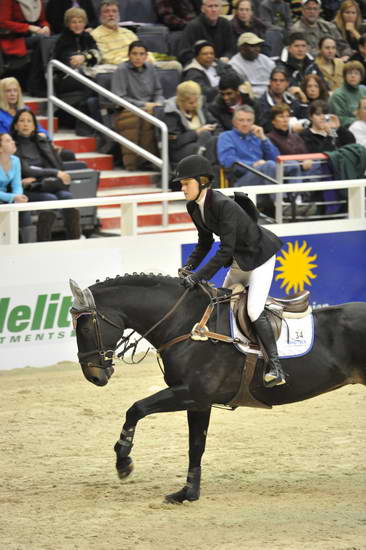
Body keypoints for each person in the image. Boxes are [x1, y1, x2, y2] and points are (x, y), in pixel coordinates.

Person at [173, 154, 286, 388]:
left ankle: (275, 366)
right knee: (222, 304)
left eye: (186, 183)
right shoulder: (193, 206)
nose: (182, 188)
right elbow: (204, 243)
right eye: (181, 184)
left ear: (202, 181)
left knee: (254, 310)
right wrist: (189, 267)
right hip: (240, 259)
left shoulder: (223, 205)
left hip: (260, 256)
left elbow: (225, 251)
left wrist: (198, 277)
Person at [11, 109, 81, 241]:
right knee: (50, 199)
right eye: (21, 121)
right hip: (27, 187)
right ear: (15, 125)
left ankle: (74, 240)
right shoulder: (13, 145)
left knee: (67, 196)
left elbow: (56, 165)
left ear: (34, 126)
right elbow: (27, 171)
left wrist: (45, 173)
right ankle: (43, 241)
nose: (25, 124)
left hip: (45, 183)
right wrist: (53, 173)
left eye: (29, 121)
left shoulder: (42, 141)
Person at [112, 41, 164, 171]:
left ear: (146, 56)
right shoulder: (121, 69)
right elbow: (119, 98)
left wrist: (158, 103)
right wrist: (144, 105)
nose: (138, 57)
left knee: (163, 113)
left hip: (150, 107)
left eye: (141, 54)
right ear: (129, 55)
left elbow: (158, 91)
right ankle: (136, 162)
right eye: (134, 54)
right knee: (144, 117)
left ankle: (156, 160)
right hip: (127, 110)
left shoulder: (151, 68)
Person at [53, 7, 103, 135]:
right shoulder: (63, 39)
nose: (77, 25)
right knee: (91, 82)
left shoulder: (87, 36)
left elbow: (98, 55)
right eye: (74, 22)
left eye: (80, 21)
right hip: (65, 77)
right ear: (68, 23)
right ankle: (85, 125)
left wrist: (84, 57)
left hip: (85, 73)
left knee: (99, 80)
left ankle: (96, 121)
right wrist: (88, 57)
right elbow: (71, 61)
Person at [162, 80, 218, 168]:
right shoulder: (171, 114)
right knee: (205, 136)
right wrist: (196, 132)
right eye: (191, 103)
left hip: (202, 143)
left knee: (214, 139)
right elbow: (174, 143)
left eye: (197, 101)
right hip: (179, 151)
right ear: (181, 101)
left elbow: (214, 123)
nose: (195, 105)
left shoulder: (200, 107)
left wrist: (214, 128)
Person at [0, 132, 35, 243]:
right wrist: (13, 197)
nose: (13, 142)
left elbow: (17, 185)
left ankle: (29, 246)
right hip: (4, 198)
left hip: (6, 197)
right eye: (8, 141)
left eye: (12, 140)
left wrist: (18, 196)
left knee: (23, 208)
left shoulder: (15, 160)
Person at [178, 0, 236, 65]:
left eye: (216, 6)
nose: (213, 10)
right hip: (199, 66)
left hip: (221, 65)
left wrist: (227, 57)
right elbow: (184, 53)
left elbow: (231, 48)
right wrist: (205, 60)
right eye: (210, 6)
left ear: (220, 9)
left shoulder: (225, 24)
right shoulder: (193, 26)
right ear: (202, 9)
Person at [257, 67, 309, 132]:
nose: (278, 83)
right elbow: (265, 126)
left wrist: (303, 102)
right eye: (275, 80)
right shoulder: (262, 102)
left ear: (287, 83)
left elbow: (304, 119)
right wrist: (290, 128)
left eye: (282, 80)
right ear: (270, 82)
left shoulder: (291, 99)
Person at [229, 33, 275, 97]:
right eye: (253, 46)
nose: (257, 49)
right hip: (251, 96)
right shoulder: (234, 65)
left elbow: (276, 74)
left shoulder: (264, 59)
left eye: (258, 46)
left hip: (273, 92)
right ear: (242, 48)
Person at [329, 60, 366, 125]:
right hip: (348, 130)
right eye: (349, 73)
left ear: (361, 77)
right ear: (345, 76)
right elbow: (339, 119)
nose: (353, 76)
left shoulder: (364, 90)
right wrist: (360, 120)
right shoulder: (338, 95)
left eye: (356, 73)